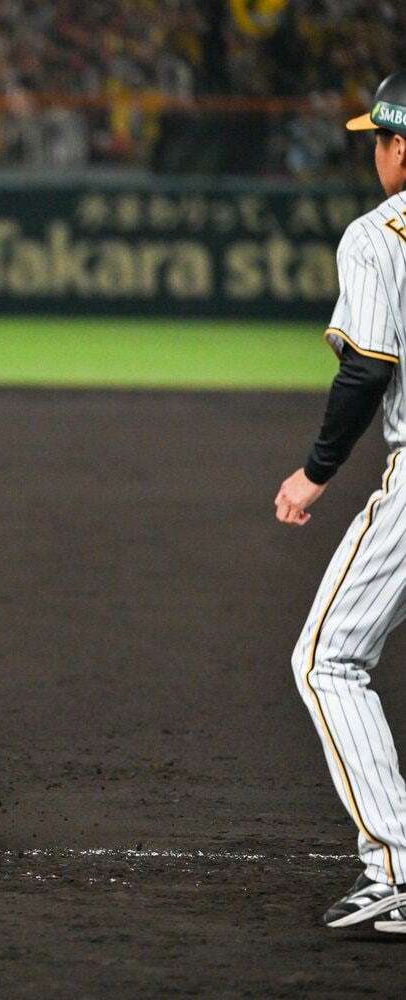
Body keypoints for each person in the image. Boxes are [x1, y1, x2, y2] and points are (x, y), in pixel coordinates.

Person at [274, 70, 406, 933]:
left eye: (378, 140)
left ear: (402, 146)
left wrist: (315, 472)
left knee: (327, 661)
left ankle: (395, 869)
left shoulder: (378, 234)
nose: (372, 154)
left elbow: (367, 366)